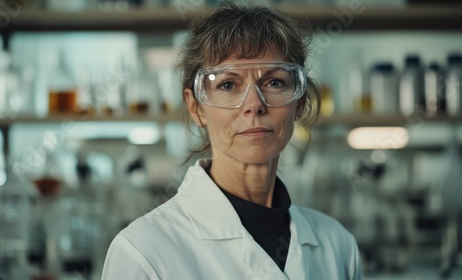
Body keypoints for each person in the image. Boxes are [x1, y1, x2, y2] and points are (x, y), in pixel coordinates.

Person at [101, 3, 362, 280]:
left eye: (274, 83)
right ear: (196, 107)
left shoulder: (338, 247)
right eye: (228, 85)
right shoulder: (142, 252)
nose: (254, 105)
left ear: (299, 102)